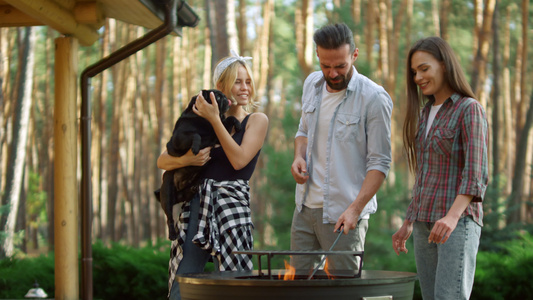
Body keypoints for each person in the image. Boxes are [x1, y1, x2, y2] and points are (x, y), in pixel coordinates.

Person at [157, 50, 269, 300]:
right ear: (221, 86)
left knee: (236, 285)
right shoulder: (201, 121)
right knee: (183, 284)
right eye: (237, 81)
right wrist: (189, 159)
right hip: (199, 203)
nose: (244, 87)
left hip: (232, 205)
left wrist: (215, 119)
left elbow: (239, 160)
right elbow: (162, 160)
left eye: (248, 81)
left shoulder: (256, 120)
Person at [290, 23, 393, 274]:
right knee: (298, 291)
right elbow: (303, 131)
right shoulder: (311, 84)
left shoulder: (374, 98)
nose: (333, 73)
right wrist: (298, 157)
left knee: (344, 291)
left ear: (354, 55)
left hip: (344, 216)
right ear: (317, 55)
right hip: (303, 210)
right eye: (326, 66)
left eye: (340, 66)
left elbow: (380, 163)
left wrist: (355, 210)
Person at [392, 36, 488, 300]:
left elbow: (475, 173)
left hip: (457, 223)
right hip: (424, 224)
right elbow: (424, 174)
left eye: (424, 68)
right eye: (414, 72)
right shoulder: (425, 114)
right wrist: (409, 221)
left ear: (444, 65)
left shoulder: (469, 109)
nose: (418, 77)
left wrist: (452, 217)